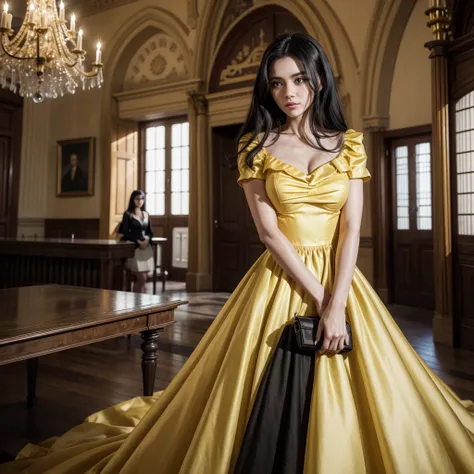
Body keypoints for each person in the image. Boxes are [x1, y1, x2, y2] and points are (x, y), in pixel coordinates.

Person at [1, 32, 473, 474]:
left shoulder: (349, 145)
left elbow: (351, 230)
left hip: (342, 277)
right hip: (282, 276)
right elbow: (270, 234)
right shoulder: (255, 146)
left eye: (299, 79)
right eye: (277, 83)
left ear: (319, 80)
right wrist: (326, 304)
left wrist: (340, 299)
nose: (289, 92)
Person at [120, 190, 154, 293]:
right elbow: (125, 233)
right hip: (135, 249)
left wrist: (147, 240)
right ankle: (136, 303)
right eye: (137, 199)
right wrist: (138, 242)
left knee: (145, 279)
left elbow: (150, 232)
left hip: (146, 248)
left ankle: (139, 303)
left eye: (142, 199)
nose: (140, 201)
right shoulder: (128, 214)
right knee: (141, 278)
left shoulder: (146, 214)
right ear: (132, 200)